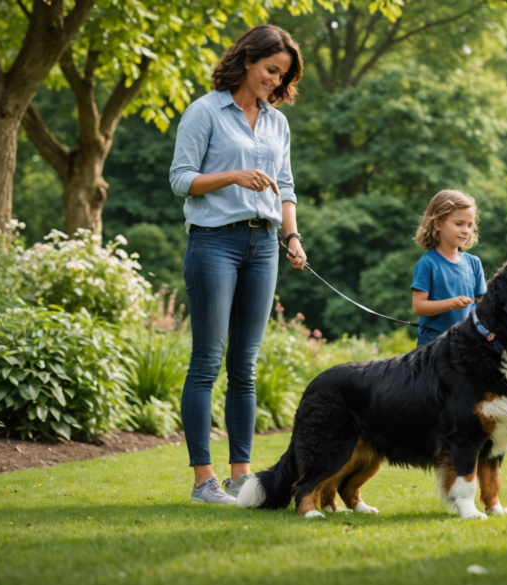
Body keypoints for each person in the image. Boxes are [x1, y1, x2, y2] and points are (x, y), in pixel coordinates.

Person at [168, 24, 307, 505]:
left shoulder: (277, 123)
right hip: (213, 244)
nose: (274, 81)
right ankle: (203, 480)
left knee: (244, 367)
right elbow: (181, 179)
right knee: (206, 362)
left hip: (264, 245)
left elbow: (285, 187)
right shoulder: (205, 111)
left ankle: (240, 476)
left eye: (282, 75)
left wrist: (292, 236)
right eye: (271, 70)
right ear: (247, 60)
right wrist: (233, 176)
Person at [410, 189, 486, 347]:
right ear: (437, 224)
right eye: (459, 224)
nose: (466, 230)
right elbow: (418, 307)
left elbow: (485, 303)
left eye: (470, 225)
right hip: (431, 347)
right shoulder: (428, 264)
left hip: (464, 344)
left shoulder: (474, 263)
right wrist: (451, 303)